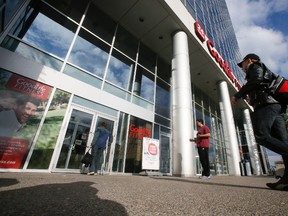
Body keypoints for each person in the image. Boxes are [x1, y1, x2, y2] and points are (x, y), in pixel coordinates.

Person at [231, 53, 288, 191]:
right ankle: (287, 180)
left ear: (249, 60)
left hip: (266, 105)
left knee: (261, 135)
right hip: (277, 107)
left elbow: (256, 79)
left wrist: (238, 94)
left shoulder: (255, 66)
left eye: (242, 64)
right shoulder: (262, 69)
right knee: (282, 142)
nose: (242, 67)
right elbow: (260, 83)